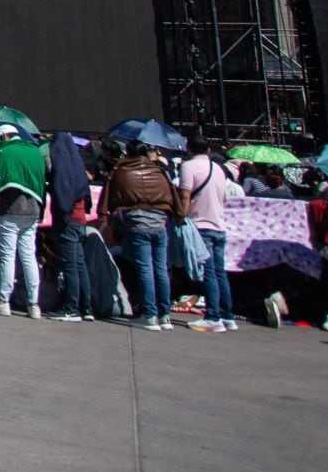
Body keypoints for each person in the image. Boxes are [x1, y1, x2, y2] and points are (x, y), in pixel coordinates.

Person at [100, 140, 184, 330]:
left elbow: (108, 197)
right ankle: (164, 315)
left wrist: (105, 216)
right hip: (160, 224)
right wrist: (179, 215)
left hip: (138, 225)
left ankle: (149, 314)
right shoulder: (159, 171)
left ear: (127, 153)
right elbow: (173, 195)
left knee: (145, 269)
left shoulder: (121, 171)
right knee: (161, 269)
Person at [0, 125, 47, 317]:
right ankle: (34, 304)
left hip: (10, 209)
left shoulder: (4, 150)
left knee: (7, 257)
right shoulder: (35, 151)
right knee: (28, 256)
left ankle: (3, 301)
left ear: (5, 136)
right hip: (33, 209)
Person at [178, 137, 237, 332]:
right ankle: (227, 316)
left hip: (200, 225)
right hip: (219, 225)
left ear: (189, 148)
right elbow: (225, 197)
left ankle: (213, 316)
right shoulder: (219, 169)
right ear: (209, 150)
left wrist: (181, 217)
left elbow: (185, 195)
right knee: (220, 273)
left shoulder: (188, 167)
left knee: (209, 273)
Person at [48, 132, 96, 322]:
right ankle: (87, 307)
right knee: (79, 263)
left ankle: (71, 307)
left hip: (67, 219)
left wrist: (63, 213)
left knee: (70, 264)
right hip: (80, 218)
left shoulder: (62, 166)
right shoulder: (78, 167)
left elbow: (61, 192)